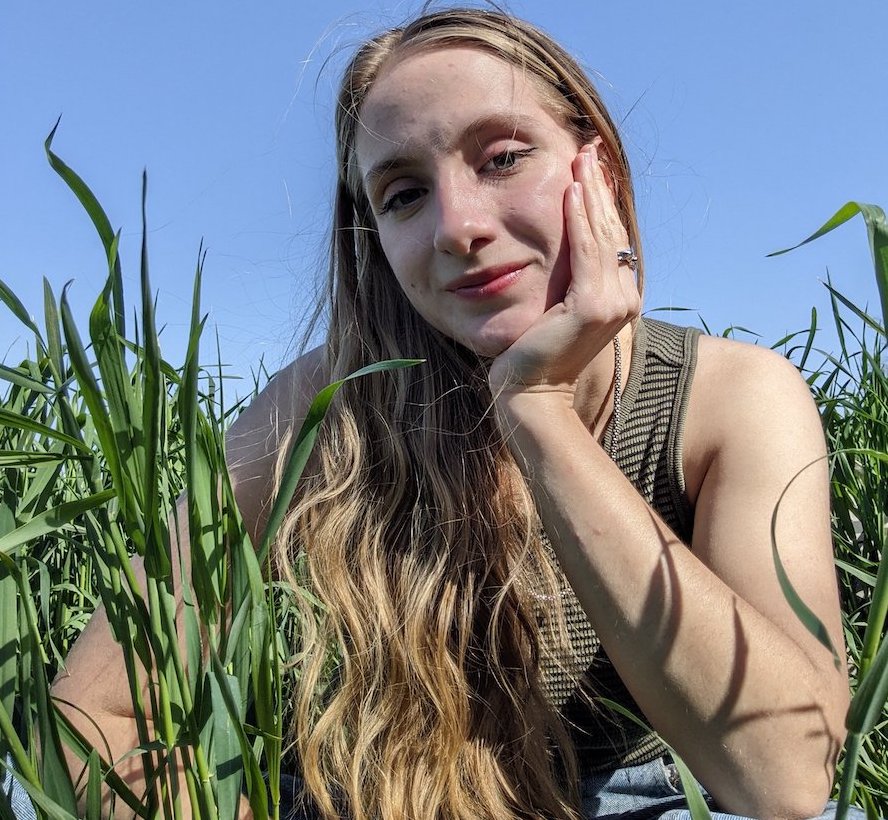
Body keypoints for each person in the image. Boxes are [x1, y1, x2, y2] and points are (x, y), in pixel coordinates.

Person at [50, 7, 854, 820]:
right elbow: (89, 723)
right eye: (403, 195)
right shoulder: (314, 412)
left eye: (502, 158)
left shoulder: (727, 399)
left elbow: (786, 780)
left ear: (598, 171)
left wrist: (536, 410)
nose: (457, 228)